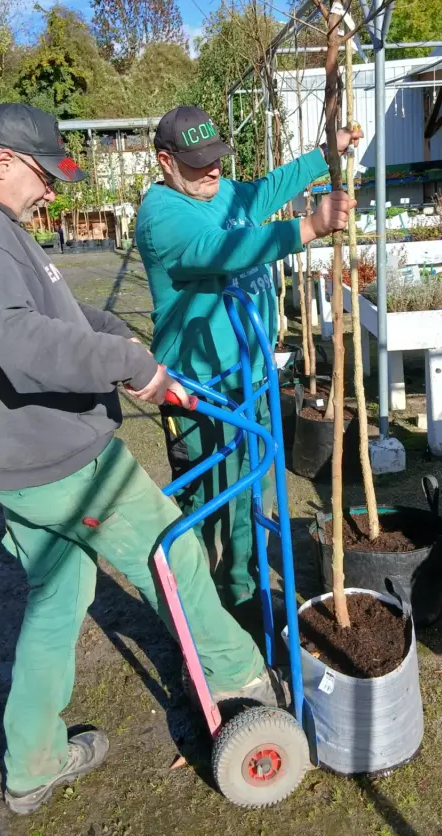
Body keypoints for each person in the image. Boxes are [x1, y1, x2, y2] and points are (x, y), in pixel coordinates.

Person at [0, 103, 282, 816]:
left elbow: (54, 312)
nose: (50, 194)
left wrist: (127, 342)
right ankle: (246, 681)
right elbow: (18, 342)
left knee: (58, 598)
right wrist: (125, 364)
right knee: (172, 550)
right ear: (2, 162)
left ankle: (33, 763)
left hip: (11, 464)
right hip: (60, 457)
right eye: (43, 178)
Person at [136, 105, 357, 615]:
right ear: (166, 161)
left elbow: (266, 190)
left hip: (252, 377)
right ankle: (214, 613)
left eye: (216, 157)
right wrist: (306, 228)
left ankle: (248, 588)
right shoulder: (163, 216)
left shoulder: (219, 191)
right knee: (214, 503)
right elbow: (224, 248)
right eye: (198, 162)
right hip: (202, 392)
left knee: (255, 491)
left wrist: (326, 155)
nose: (213, 169)